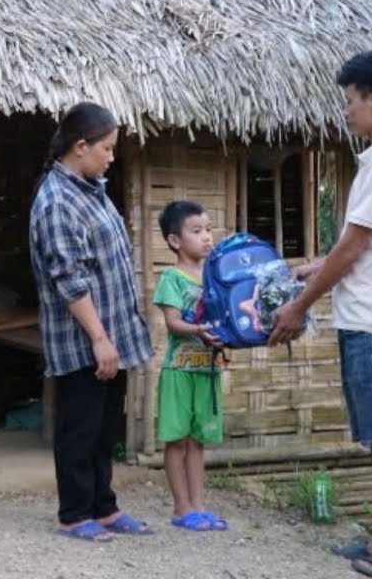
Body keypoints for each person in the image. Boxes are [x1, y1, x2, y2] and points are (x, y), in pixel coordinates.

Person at [258, 50, 372, 579]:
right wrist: (316, 267)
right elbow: (362, 245)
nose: (347, 112)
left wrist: (298, 307)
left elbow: (354, 248)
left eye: (351, 102)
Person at [29, 101, 156, 542]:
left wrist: (113, 338)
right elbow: (70, 279)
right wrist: (99, 339)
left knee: (104, 429)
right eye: (107, 148)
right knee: (80, 427)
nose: (112, 156)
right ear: (80, 146)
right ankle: (74, 512)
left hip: (111, 334)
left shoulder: (90, 188)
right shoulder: (58, 201)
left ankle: (104, 507)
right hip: (84, 338)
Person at [151, 200, 230, 532]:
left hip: (207, 371)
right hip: (179, 372)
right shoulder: (171, 278)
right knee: (176, 440)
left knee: (198, 441)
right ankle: (182, 508)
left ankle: (199, 506)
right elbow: (172, 323)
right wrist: (199, 330)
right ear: (174, 241)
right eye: (197, 231)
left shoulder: (216, 277)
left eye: (209, 229)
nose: (206, 237)